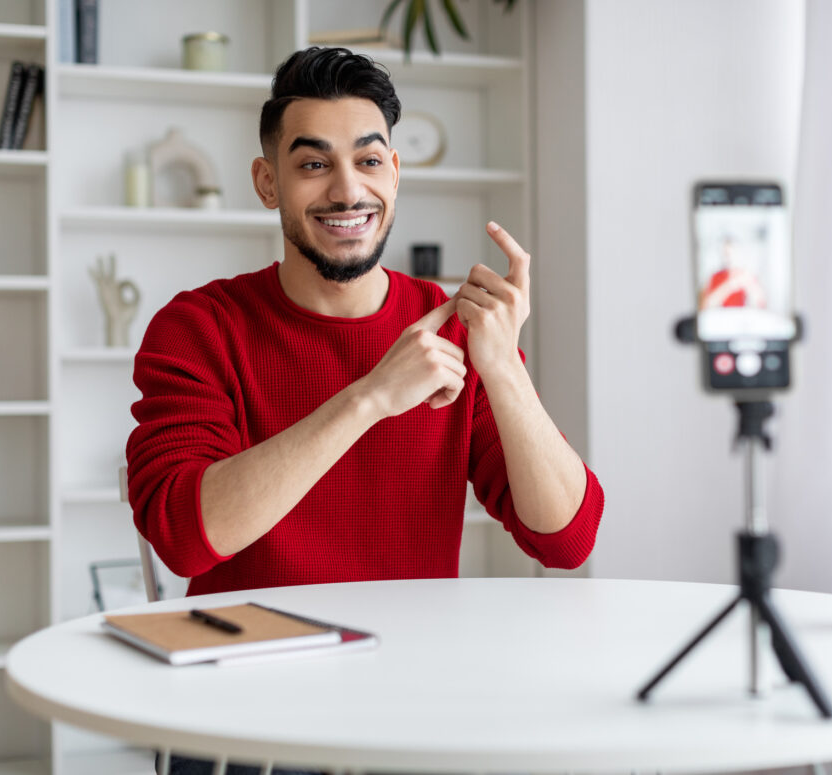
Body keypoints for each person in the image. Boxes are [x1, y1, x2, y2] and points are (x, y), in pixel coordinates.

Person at [125, 46, 604, 774]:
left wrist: (501, 366)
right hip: (241, 715)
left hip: (408, 702)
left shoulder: (450, 330)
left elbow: (566, 537)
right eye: (313, 163)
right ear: (267, 183)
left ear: (395, 173)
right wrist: (370, 397)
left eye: (369, 161)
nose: (347, 190)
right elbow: (188, 537)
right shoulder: (198, 326)